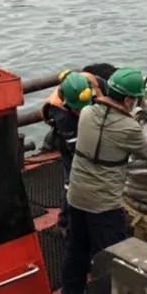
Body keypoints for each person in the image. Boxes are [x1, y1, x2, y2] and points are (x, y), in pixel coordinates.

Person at [60, 67, 147, 294]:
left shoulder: (87, 112)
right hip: (103, 205)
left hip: (76, 196)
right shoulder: (129, 128)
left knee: (75, 249)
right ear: (130, 100)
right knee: (112, 256)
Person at [40, 64, 116, 230]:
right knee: (74, 179)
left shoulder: (94, 82)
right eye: (77, 109)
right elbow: (79, 151)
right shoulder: (61, 113)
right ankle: (66, 222)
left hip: (94, 128)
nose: (81, 111)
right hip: (69, 141)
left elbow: (112, 101)